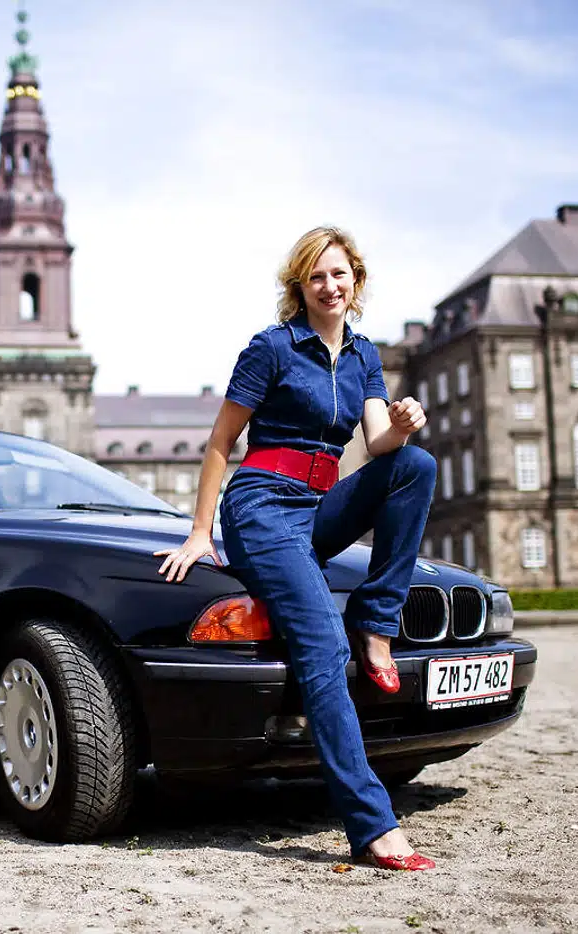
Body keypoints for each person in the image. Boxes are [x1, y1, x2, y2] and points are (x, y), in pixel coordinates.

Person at [155, 226, 437, 871]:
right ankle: (372, 825)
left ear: (355, 282)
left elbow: (376, 444)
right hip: (262, 507)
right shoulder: (272, 349)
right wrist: (201, 532)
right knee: (321, 646)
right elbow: (221, 442)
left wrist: (398, 425)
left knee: (416, 466)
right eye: (316, 276)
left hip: (320, 504)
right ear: (300, 288)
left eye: (339, 275)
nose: (329, 286)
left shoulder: (365, 355)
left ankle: (377, 621)